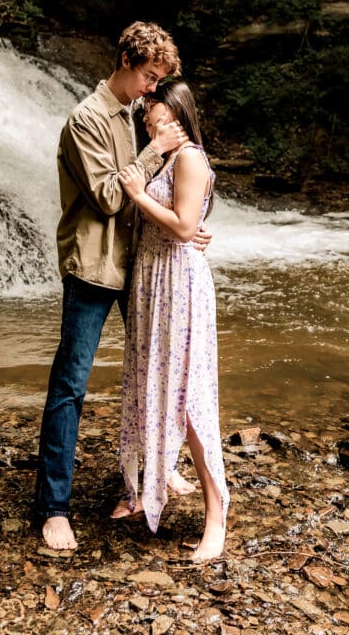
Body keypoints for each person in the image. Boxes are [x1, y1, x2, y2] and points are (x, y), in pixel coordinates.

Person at [34, 22, 209, 551]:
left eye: (159, 80)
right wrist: (154, 148)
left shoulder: (138, 116)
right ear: (127, 61)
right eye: (149, 76)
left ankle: (155, 475)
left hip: (139, 268)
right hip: (92, 269)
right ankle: (54, 508)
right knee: (70, 386)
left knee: (156, 374)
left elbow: (160, 189)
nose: (153, 89)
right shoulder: (85, 118)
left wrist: (190, 224)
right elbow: (111, 196)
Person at [112, 80, 229, 561]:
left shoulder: (190, 158)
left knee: (190, 397)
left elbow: (182, 226)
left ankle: (216, 514)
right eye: (145, 115)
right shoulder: (165, 158)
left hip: (178, 285)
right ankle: (155, 479)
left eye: (154, 112)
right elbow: (183, 223)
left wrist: (139, 196)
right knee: (152, 384)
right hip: (153, 283)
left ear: (177, 114)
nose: (147, 120)